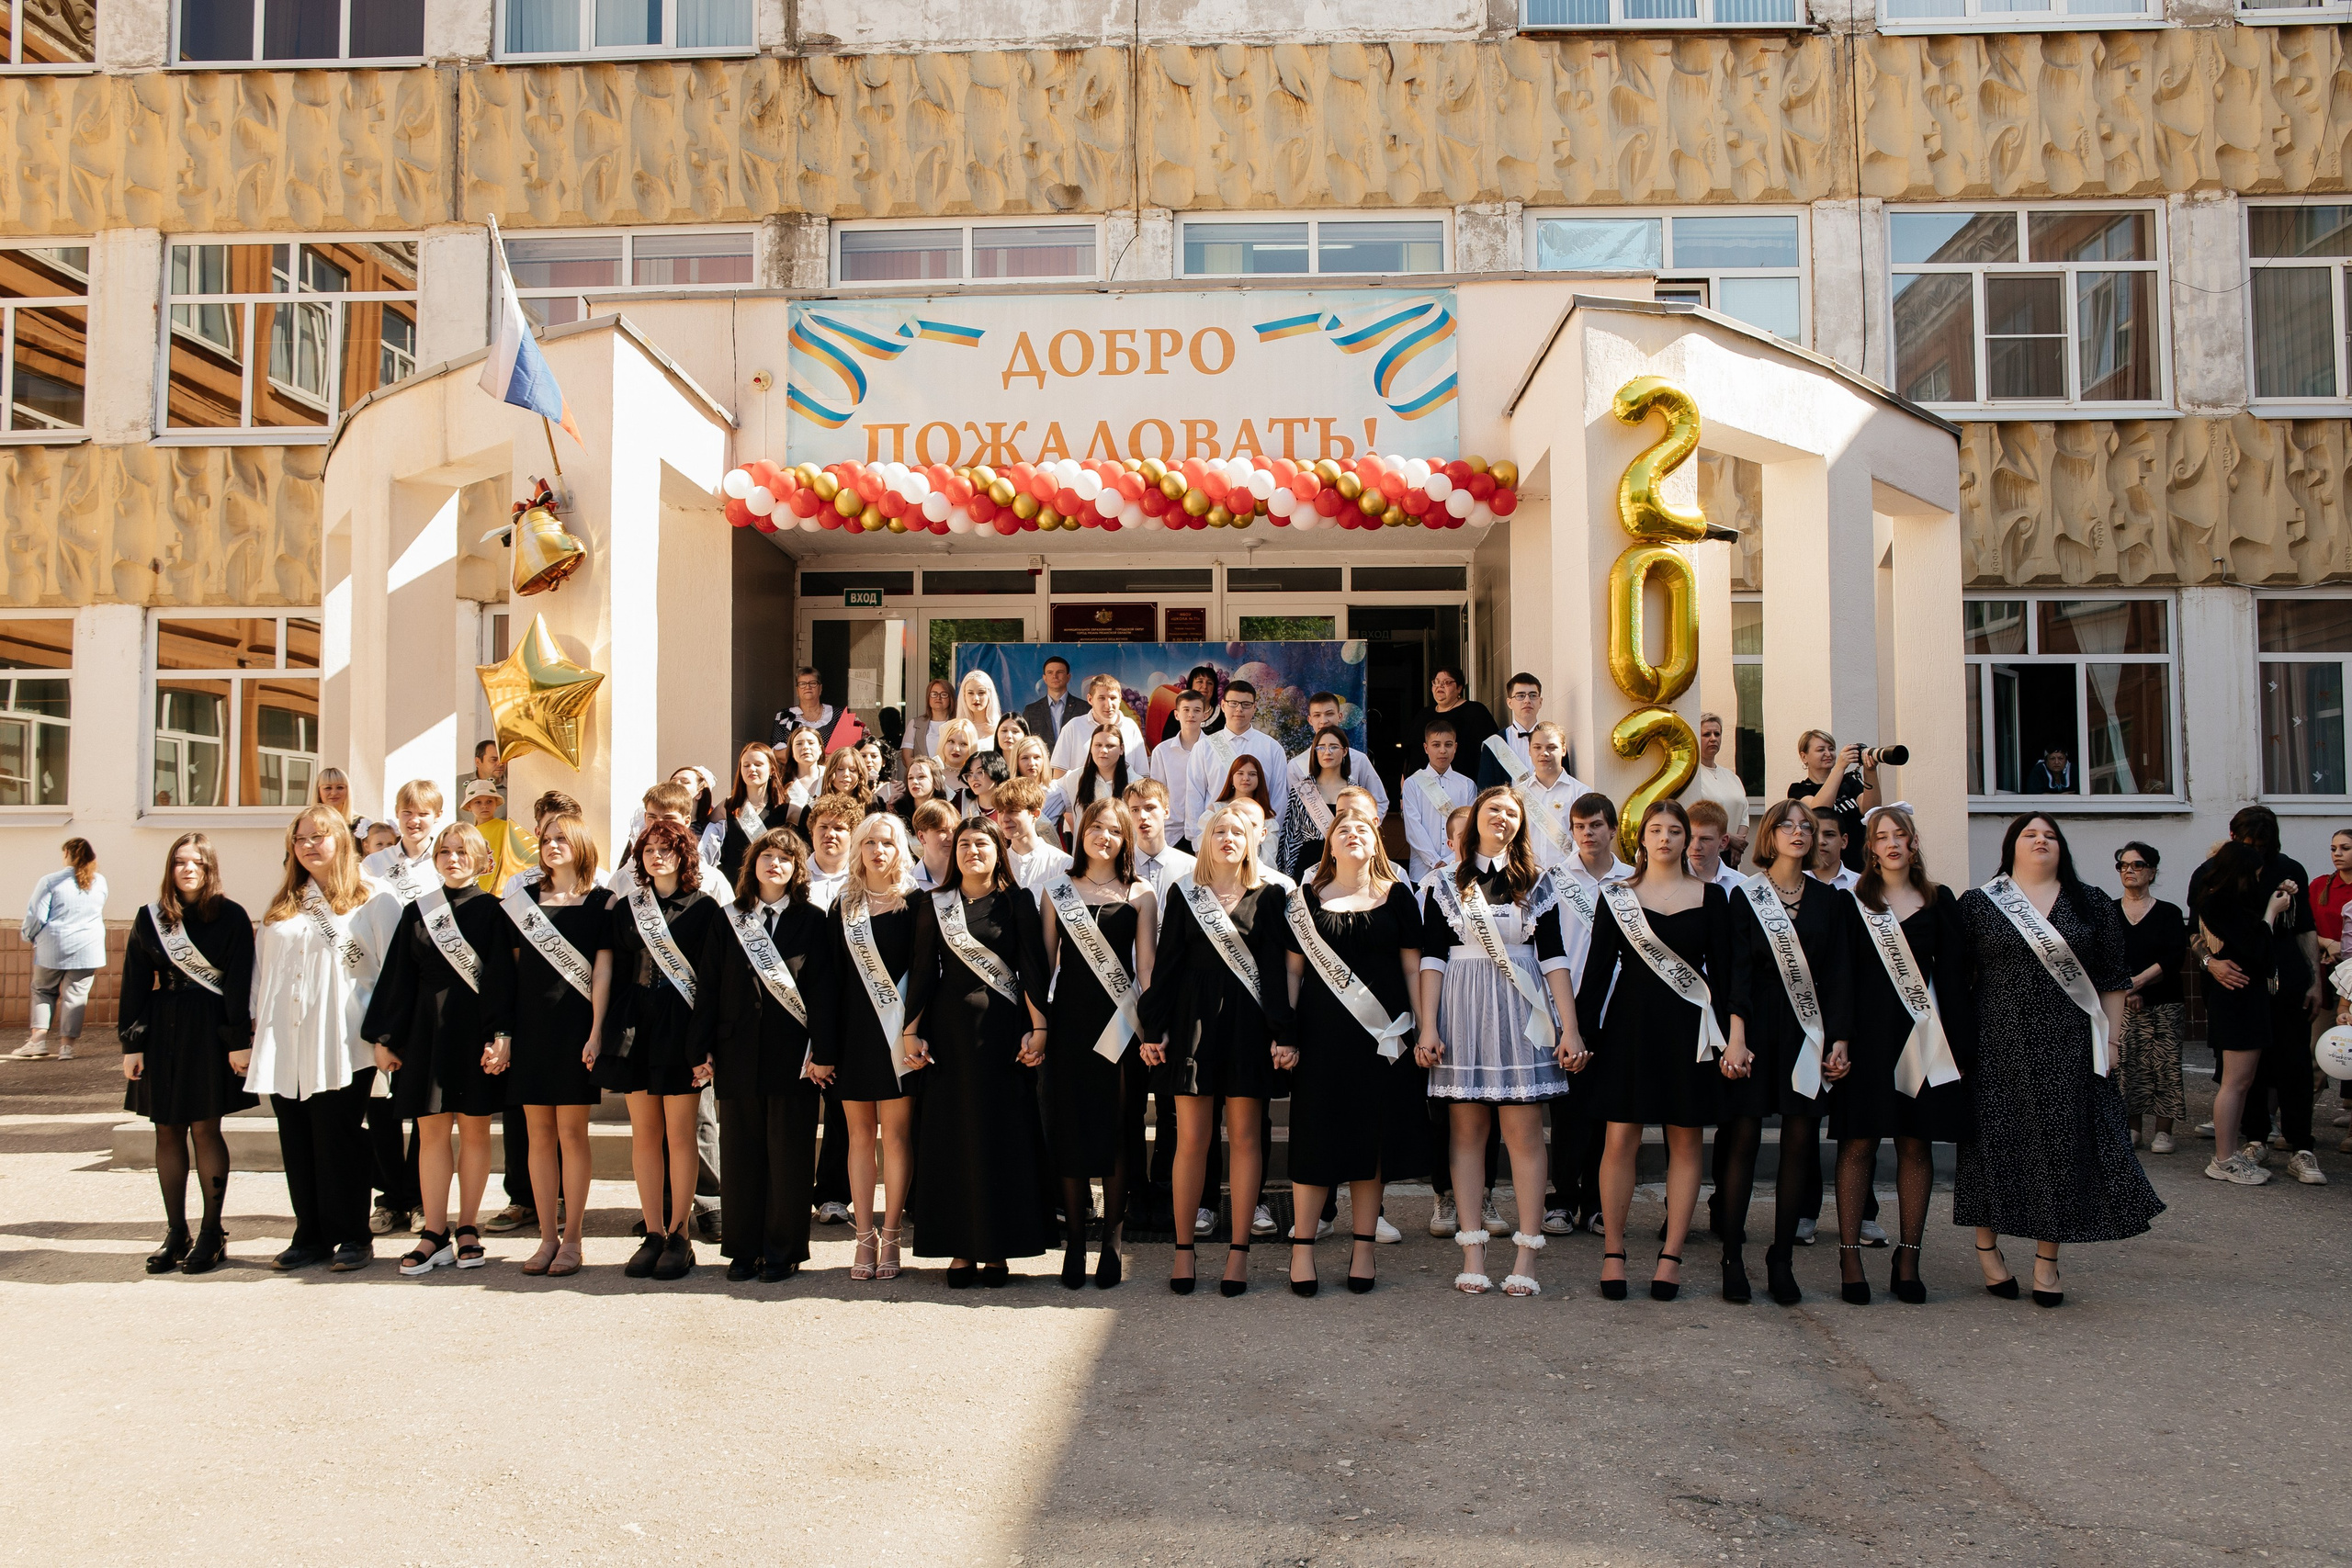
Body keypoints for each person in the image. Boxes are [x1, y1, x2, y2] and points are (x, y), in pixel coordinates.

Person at [1957, 813, 2164, 1305]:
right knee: (1993, 1147)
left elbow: (2113, 977)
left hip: (2069, 1044)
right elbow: (1960, 979)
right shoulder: (1980, 904)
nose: (2041, 840)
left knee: (2061, 1150)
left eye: (2050, 835)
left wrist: (2111, 1043)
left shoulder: (2090, 903)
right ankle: (1988, 1252)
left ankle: (2047, 1262)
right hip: (1996, 1044)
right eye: (2030, 834)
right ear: (2011, 847)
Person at [1417, 785, 1580, 1298]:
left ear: (1520, 824)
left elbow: (1553, 958)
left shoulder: (1538, 883)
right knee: (1466, 1134)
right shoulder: (1444, 882)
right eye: (1493, 811)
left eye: (1512, 813)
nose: (1502, 819)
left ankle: (1527, 1256)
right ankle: (1473, 1251)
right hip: (1461, 1011)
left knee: (1524, 1133)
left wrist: (1569, 1026)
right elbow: (1432, 958)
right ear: (1475, 821)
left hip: (1521, 1008)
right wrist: (1428, 1024)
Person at [1575, 799, 1741, 1303]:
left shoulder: (1713, 899)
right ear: (1640, 838)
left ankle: (1671, 1256)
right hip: (1631, 1027)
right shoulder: (1617, 897)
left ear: (1687, 838)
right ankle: (1614, 1252)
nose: (1665, 837)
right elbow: (1597, 974)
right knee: (1620, 1138)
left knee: (1686, 1141)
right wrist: (1580, 1033)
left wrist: (1737, 1036)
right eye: (1656, 829)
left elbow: (1731, 978)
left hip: (1690, 1031)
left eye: (1675, 830)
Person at [1137, 803, 1292, 1297]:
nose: (1228, 837)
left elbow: (1273, 971)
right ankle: (1185, 1251)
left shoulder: (1269, 898)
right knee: (1191, 1140)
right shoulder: (1186, 894)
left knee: (1246, 1138)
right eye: (1219, 831)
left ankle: (1238, 1252)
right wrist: (1154, 1028)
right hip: (1194, 1027)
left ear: (1253, 842)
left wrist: (1281, 1032)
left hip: (1248, 1027)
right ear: (1206, 841)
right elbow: (1168, 967)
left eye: (1239, 831)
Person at [1282, 807, 1429, 1295]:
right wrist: (1285, 1034)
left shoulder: (1399, 898)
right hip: (1321, 1040)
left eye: (1362, 828)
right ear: (1329, 845)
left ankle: (1363, 1248)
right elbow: (1292, 975)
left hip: (1383, 1039)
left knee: (1373, 1143)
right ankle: (1303, 1249)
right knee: (1314, 1140)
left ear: (1377, 843)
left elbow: (1413, 970)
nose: (1352, 834)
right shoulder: (1304, 901)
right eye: (1342, 829)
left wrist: (1424, 1027)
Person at [361, 822, 518, 1277]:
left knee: (473, 1132)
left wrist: (503, 1035)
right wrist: (386, 1038)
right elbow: (398, 980)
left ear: (482, 860)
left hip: (476, 1034)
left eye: (462, 851)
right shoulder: (419, 910)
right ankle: (434, 1232)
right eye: (445, 851)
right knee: (430, 1134)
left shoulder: (495, 911)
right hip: (427, 1035)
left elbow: (502, 982)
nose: (453, 859)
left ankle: (467, 1227)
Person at [901, 818, 1053, 1285]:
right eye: (964, 844)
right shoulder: (935, 904)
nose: (971, 851)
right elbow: (923, 972)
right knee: (954, 1137)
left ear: (997, 849)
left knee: (1002, 1136)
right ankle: (959, 1250)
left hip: (1004, 1033)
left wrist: (1039, 1026)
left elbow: (1032, 968)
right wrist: (911, 1032)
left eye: (981, 843)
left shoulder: (1018, 902)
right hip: (950, 1035)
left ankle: (997, 1250)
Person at [1834, 806, 1973, 1305]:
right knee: (1858, 1144)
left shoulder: (1941, 901)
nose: (1891, 843)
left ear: (1914, 844)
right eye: (1881, 836)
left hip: (1924, 1039)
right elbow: (1842, 976)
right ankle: (1850, 1255)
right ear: (1869, 848)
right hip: (1869, 1039)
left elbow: (1956, 978)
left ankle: (1908, 1256)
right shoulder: (1855, 904)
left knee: (1916, 1146)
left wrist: (1959, 1046)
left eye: (1900, 835)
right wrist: (1841, 1037)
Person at [245, 805, 391, 1271]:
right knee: (297, 1137)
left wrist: (387, 1036)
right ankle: (309, 1233)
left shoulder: (376, 898)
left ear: (342, 842)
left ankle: (352, 1234)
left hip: (345, 1041)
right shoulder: (283, 903)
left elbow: (391, 975)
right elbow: (261, 975)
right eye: (301, 838)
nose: (310, 845)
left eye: (320, 836)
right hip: (287, 1041)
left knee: (339, 1137)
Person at [1720, 799, 1853, 1307]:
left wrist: (1840, 1039)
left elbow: (1840, 972)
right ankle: (1733, 1256)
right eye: (1787, 826)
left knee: (1800, 1141)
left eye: (1808, 827)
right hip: (1754, 1026)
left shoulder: (1830, 901)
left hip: (1808, 1029)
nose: (1799, 833)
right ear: (1769, 836)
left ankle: (1781, 1259)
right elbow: (1737, 972)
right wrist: (1735, 1036)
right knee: (1744, 1139)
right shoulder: (1745, 896)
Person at [694, 826, 827, 1284]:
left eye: (786, 858)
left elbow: (823, 995)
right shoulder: (728, 917)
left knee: (788, 1156)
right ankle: (743, 1248)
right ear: (751, 864)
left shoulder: (813, 920)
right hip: (736, 1053)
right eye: (767, 855)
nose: (775, 864)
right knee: (741, 1154)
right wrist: (702, 1048)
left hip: (794, 1058)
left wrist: (824, 1052)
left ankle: (782, 1250)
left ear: (797, 870)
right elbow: (708, 986)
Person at [120, 833, 255, 1275]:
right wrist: (132, 1043)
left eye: (196, 862)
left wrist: (239, 1039)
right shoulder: (151, 917)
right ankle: (176, 1232)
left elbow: (238, 981)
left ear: (209, 867)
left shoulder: (231, 916)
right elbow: (135, 983)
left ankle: (212, 1232)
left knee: (205, 1129)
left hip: (210, 1030)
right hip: (164, 1031)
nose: (188, 869)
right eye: (179, 862)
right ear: (170, 868)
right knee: (166, 1130)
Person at [1039, 799, 1159, 1289]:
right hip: (1068, 1023)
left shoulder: (1140, 893)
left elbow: (1146, 969)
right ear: (1080, 832)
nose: (1103, 836)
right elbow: (1045, 967)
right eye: (1096, 828)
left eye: (1114, 830)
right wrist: (1038, 1027)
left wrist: (1150, 1029)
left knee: (1117, 1129)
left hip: (1120, 1027)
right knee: (1068, 1128)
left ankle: (1112, 1238)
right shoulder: (1057, 890)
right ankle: (1073, 1242)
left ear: (1124, 838)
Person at [600, 818, 722, 1281]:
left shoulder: (706, 909)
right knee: (645, 1133)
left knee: (680, 1133)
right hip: (637, 1025)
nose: (656, 855)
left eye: (666, 848)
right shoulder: (628, 907)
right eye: (648, 848)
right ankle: (653, 1232)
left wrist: (706, 1042)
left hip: (683, 1026)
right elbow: (612, 968)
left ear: (684, 854)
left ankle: (680, 1236)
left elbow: (711, 981)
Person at [497, 809, 613, 1278]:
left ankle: (574, 1239)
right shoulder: (522, 900)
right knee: (537, 1135)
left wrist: (597, 1030)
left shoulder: (602, 901)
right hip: (531, 1032)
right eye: (546, 838)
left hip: (575, 1031)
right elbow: (513, 972)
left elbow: (603, 970)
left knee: (571, 1134)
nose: (552, 844)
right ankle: (546, 1238)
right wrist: (504, 1034)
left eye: (562, 837)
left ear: (581, 843)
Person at [808, 812, 922, 1281]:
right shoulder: (843, 906)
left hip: (898, 1037)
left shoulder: (917, 904)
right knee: (858, 1137)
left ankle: (891, 1234)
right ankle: (862, 1238)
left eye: (888, 843)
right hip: (853, 1036)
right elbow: (828, 981)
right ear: (858, 849)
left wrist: (914, 1032)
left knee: (894, 1137)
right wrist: (824, 1047)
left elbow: (924, 978)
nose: (878, 851)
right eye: (870, 842)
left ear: (901, 850)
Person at [1545, 794, 1634, 1239]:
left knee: (1608, 1107)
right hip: (1571, 1005)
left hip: (1620, 1003)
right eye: (1580, 826)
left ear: (1613, 829)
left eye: (1596, 825)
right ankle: (1562, 1200)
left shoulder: (1632, 880)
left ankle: (1598, 1204)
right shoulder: (1555, 878)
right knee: (1569, 1109)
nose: (1588, 834)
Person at [2226, 806, 2324, 1186]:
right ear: (2235, 837)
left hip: (2288, 978)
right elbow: (2202, 928)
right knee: (2248, 1065)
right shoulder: (2220, 872)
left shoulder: (2290, 868)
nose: (2256, 851)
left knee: (2295, 1063)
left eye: (2262, 844)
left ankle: (2301, 1146)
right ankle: (2254, 1139)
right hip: (2242, 979)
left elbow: (2305, 929)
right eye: (2249, 843)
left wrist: (2315, 980)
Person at [2190, 838, 2291, 1188]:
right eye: (2254, 874)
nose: (2257, 881)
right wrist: (2271, 914)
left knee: (2243, 1082)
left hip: (2244, 997)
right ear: (2240, 872)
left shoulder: (2224, 899)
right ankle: (2223, 1159)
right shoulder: (2219, 902)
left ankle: (2229, 1155)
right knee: (2235, 1083)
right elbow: (2256, 949)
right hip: (2237, 998)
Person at [2113, 841, 2188, 1156]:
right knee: (2127, 1065)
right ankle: (2133, 1128)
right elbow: (2107, 956)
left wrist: (2138, 984)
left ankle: (2163, 1131)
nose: (2129, 871)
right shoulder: (2109, 911)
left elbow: (2173, 957)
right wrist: (2125, 991)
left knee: (2165, 1065)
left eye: (2137, 865)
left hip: (2164, 1000)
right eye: (2123, 866)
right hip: (2122, 1002)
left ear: (2153, 871)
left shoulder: (2168, 912)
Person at [11, 837, 107, 1061]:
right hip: (88, 948)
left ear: (67, 855)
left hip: (53, 947)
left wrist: (28, 935)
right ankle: (66, 1048)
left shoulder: (50, 881)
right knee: (76, 997)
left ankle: (38, 1041)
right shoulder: (99, 881)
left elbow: (36, 915)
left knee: (43, 990)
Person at [1183, 680, 1289, 840]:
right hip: (1215, 838)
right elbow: (1194, 797)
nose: (1239, 709)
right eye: (1233, 703)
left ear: (1254, 708)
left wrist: (1270, 839)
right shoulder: (1204, 747)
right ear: (1223, 706)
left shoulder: (1272, 748)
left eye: (1246, 704)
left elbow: (1278, 799)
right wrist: (1197, 840)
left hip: (1259, 841)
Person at [1283, 692, 1389, 820]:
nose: (1323, 721)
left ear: (1340, 716)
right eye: (1317, 715)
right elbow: (1293, 812)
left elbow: (1379, 801)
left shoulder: (1359, 760)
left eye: (1329, 714)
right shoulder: (1296, 765)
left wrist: (1365, 830)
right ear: (1310, 720)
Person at [1787, 731, 1880, 874]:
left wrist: (1870, 771)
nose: (1828, 754)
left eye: (1831, 749)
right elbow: (1819, 810)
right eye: (1820, 750)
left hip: (1858, 863)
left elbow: (1871, 810)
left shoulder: (1849, 783)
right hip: (1821, 868)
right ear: (1804, 756)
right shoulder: (1799, 789)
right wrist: (1840, 767)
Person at [1401, 716, 1478, 886]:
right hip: (1422, 870)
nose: (1442, 750)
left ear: (1455, 747)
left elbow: (1470, 827)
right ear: (1426, 748)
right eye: (1436, 745)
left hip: (1458, 867)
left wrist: (1451, 860)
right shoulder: (1413, 784)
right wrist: (1435, 861)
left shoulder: (1467, 785)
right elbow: (1413, 827)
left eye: (1448, 745)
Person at [1277, 725, 1357, 884]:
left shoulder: (1356, 792)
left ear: (1345, 751)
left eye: (1334, 747)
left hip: (1346, 865)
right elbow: (1290, 838)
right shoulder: (1301, 790)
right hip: (1308, 868)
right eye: (1321, 747)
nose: (1327, 752)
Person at [713, 739, 793, 885]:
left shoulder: (786, 808)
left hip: (772, 886)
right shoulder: (728, 806)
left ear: (772, 769)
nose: (752, 769)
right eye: (746, 765)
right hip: (735, 885)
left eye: (758, 764)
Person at [1510, 721, 1585, 871]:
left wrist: (1563, 874)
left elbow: (1584, 841)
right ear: (1529, 750)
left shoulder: (1581, 793)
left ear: (1563, 750)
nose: (1544, 753)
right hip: (1527, 880)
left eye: (1551, 747)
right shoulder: (1516, 795)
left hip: (1569, 879)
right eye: (1537, 747)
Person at [1050, 673, 1148, 778]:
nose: (1108, 704)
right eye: (1102, 698)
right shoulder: (1073, 727)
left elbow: (1142, 776)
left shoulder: (1130, 727)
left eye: (1113, 698)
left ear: (1120, 698)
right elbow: (1059, 777)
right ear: (1090, 699)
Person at [1687, 712, 1752, 868]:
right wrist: (1730, 839)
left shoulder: (1731, 776)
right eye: (1706, 734)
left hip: (1731, 854)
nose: (1713, 738)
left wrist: (1738, 843)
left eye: (1717, 734)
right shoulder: (1692, 776)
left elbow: (1744, 813)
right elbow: (1693, 817)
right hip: (1705, 854)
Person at [1045, 723, 1132, 836]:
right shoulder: (1074, 778)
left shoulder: (1134, 783)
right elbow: (1045, 798)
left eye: (1110, 746)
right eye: (1098, 745)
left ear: (1121, 749)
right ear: (1091, 748)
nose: (1103, 750)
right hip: (1083, 851)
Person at [1149, 689, 1211, 846]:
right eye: (1186, 710)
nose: (1191, 715)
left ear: (1205, 714)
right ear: (1177, 715)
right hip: (1172, 832)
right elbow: (1157, 795)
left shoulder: (1217, 748)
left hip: (1207, 830)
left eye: (1197, 710)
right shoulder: (1162, 751)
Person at [993, 777, 1070, 894]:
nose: (1004, 819)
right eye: (1000, 811)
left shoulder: (1062, 863)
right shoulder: (997, 864)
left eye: (1013, 811)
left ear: (1035, 814)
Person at [1475, 672, 1548, 790]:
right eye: (1520, 696)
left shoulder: (1553, 741)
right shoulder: (1494, 744)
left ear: (1540, 702)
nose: (1527, 700)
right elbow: (1486, 791)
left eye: (1533, 695)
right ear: (1509, 703)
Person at [1414, 666, 1497, 767]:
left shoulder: (1475, 711)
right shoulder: (1423, 715)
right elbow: (1413, 751)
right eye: (1436, 682)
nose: (1440, 686)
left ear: (1459, 688)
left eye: (1447, 682)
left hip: (1466, 779)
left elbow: (1491, 749)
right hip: (1425, 780)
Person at [775, 665, 852, 750]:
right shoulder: (784, 716)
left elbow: (847, 748)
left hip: (830, 763)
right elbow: (777, 750)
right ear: (797, 690)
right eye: (802, 684)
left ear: (820, 688)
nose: (808, 687)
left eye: (813, 683)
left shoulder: (838, 715)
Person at [459, 780, 517, 892]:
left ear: (496, 804)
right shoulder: (467, 834)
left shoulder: (506, 828)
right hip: (475, 891)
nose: (484, 806)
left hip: (501, 890)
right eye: (478, 802)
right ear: (469, 806)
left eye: (489, 801)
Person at [1685, 801, 1744, 890]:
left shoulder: (1741, 885)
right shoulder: (1669, 883)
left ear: (1723, 841)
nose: (1696, 847)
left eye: (1705, 839)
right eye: (1690, 838)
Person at [1021, 656, 1076, 747]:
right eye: (1050, 673)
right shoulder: (1031, 711)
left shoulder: (1084, 708)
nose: (1055, 676)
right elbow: (1024, 744)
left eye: (1060, 672)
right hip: (1042, 760)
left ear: (1068, 677)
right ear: (1044, 678)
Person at [907, 798, 959, 891]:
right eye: (942, 830)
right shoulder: (909, 883)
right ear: (922, 837)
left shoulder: (968, 876)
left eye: (955, 830)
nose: (951, 837)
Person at [780, 726, 827, 824]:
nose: (805, 747)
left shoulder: (831, 776)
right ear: (792, 752)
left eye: (811, 743)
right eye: (799, 744)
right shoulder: (782, 781)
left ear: (820, 749)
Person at [910, 678, 956, 771]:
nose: (938, 698)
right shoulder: (915, 724)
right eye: (934, 694)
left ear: (950, 698)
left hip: (950, 778)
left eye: (943, 694)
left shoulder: (958, 724)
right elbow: (907, 756)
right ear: (928, 697)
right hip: (923, 779)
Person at [313, 767, 369, 842]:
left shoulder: (363, 824)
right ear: (318, 792)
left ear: (347, 790)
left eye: (340, 787)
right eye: (328, 788)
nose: (334, 793)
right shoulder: (309, 823)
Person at [1809, 810, 1860, 893]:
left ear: (1844, 841)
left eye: (1829, 835)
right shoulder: (1791, 884)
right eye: (1814, 835)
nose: (1821, 841)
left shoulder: (1862, 886)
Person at [956, 670, 1005, 750]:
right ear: (964, 695)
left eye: (981, 693)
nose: (976, 698)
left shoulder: (1001, 728)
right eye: (970, 693)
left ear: (989, 695)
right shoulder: (953, 728)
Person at [1184, 665, 1227, 737]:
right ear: (1190, 686)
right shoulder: (1178, 715)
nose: (1205, 686)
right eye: (1200, 681)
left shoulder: (1224, 715)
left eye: (1209, 683)